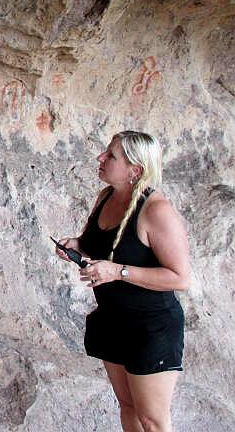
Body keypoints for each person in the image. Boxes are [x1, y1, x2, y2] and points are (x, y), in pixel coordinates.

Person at [55, 131, 190, 432]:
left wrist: (118, 272)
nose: (100, 158)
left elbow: (180, 277)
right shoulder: (106, 197)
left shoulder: (156, 210)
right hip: (114, 320)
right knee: (128, 407)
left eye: (111, 155)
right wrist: (77, 246)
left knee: (153, 420)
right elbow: (103, 248)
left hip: (151, 326)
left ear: (135, 170)